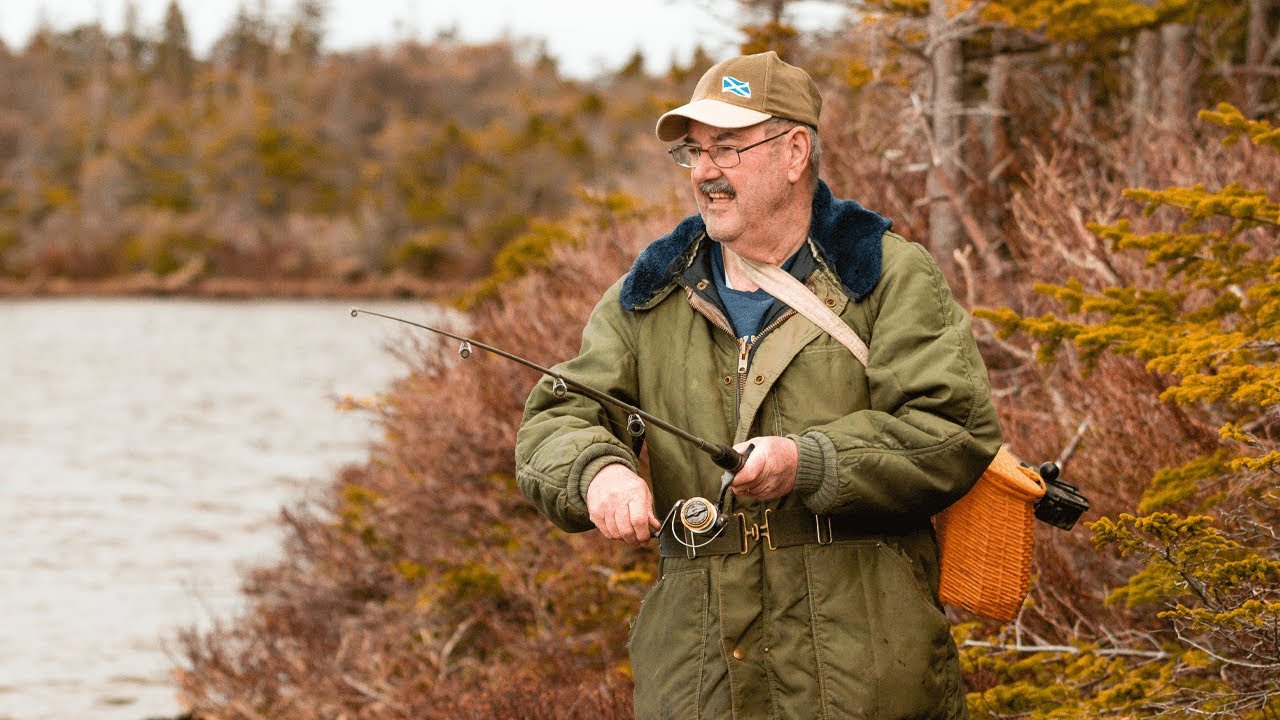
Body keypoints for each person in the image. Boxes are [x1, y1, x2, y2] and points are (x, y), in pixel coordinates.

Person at [515, 51, 1001, 720]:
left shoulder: (888, 277)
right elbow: (553, 421)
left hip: (869, 677)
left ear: (796, 150)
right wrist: (599, 473)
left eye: (727, 148)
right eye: (693, 152)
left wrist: (808, 461)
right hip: (698, 681)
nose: (705, 171)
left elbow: (952, 431)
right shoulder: (647, 296)